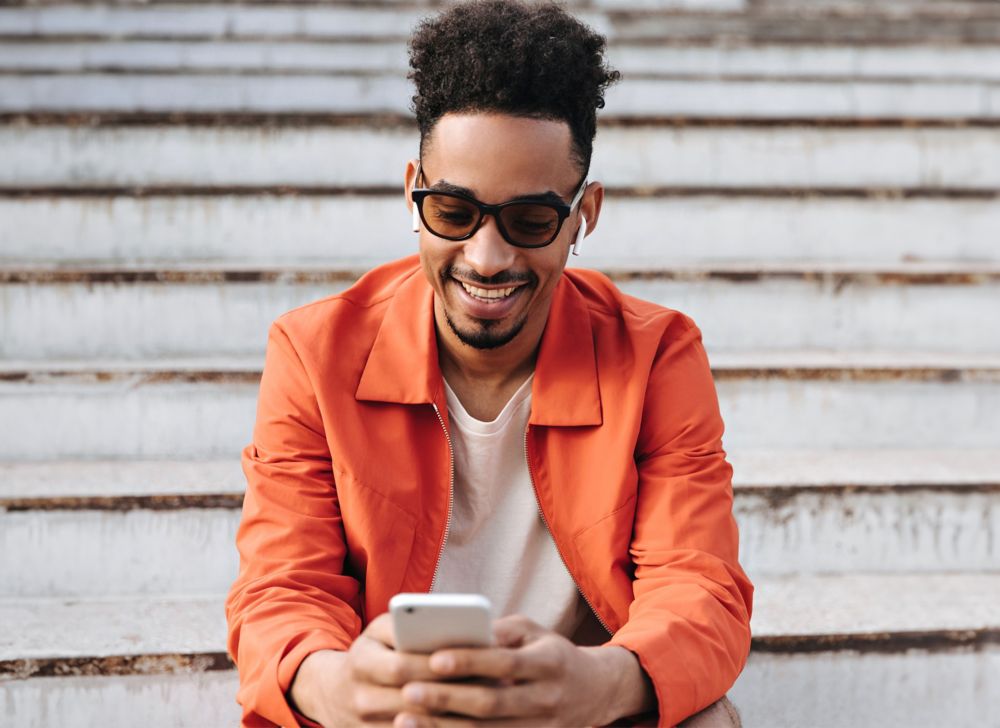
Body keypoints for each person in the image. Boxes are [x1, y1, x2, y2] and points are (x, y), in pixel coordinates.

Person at [225, 1, 754, 726]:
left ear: (584, 215)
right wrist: (342, 687)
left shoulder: (656, 354)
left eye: (531, 221)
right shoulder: (315, 352)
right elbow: (282, 592)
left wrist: (597, 682)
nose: (487, 257)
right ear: (412, 189)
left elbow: (700, 591)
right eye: (452, 212)